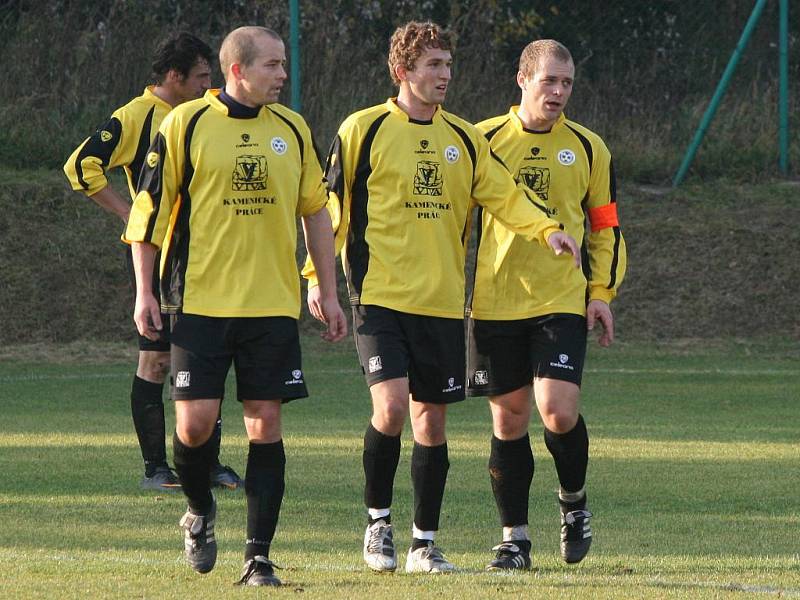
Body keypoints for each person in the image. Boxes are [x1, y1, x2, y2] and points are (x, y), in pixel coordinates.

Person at [304, 21, 580, 574]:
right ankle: (377, 522)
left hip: (442, 303)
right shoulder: (364, 129)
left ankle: (423, 543)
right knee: (391, 407)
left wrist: (545, 227)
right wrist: (318, 278)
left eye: (449, 65)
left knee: (432, 423)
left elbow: (505, 194)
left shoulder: (464, 138)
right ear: (403, 70)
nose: (445, 76)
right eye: (434, 65)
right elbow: (330, 211)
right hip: (378, 295)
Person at [124, 26, 346, 586]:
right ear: (237, 70)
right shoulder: (186, 123)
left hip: (271, 307)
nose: (283, 75)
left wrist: (326, 285)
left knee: (264, 424)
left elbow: (316, 212)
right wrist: (145, 291)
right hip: (199, 302)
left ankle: (258, 557)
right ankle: (199, 511)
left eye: (283, 65)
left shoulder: (293, 129)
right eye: (272, 65)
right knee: (195, 428)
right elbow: (149, 213)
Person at [467, 39, 627, 570]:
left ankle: (574, 503)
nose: (559, 92)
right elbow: (453, 223)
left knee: (558, 412)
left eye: (567, 83)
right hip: (495, 303)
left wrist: (600, 293)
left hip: (561, 299)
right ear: (522, 80)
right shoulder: (482, 141)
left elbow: (606, 229)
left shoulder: (587, 147)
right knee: (509, 421)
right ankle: (514, 539)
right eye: (549, 81)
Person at [63, 32, 242, 492]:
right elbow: (81, 166)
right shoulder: (136, 117)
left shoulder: (209, 114)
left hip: (206, 254)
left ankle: (207, 464)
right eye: (202, 77)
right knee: (156, 360)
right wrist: (128, 212)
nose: (210, 85)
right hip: (156, 255)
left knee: (207, 355)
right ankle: (155, 469)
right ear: (173, 77)